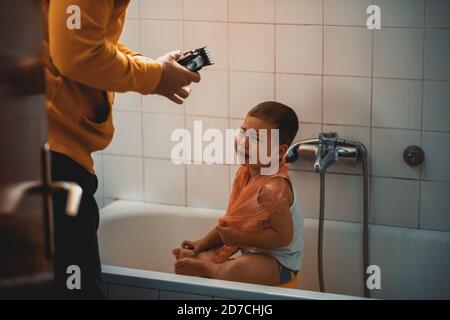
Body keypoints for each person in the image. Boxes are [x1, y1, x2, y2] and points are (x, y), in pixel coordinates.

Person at [41, 0, 200, 298]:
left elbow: (82, 38)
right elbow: (76, 55)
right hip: (51, 153)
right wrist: (155, 76)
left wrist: (153, 69)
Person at [172, 101, 304, 286]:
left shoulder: (272, 189)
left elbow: (283, 238)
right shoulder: (247, 173)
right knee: (212, 252)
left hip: (278, 263)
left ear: (279, 151)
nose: (245, 142)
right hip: (250, 249)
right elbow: (231, 222)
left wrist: (240, 238)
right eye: (243, 132)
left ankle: (211, 269)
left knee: (239, 268)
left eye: (258, 139)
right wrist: (202, 243)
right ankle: (204, 259)